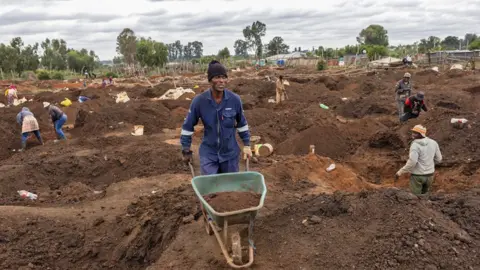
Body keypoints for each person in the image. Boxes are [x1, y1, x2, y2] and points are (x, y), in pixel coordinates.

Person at [180, 60, 252, 175]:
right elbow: (187, 127)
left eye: (224, 77)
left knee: (229, 189)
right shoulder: (199, 101)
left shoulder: (234, 100)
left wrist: (247, 144)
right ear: (210, 80)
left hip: (230, 153)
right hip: (209, 153)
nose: (221, 81)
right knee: (211, 187)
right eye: (217, 77)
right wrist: (185, 148)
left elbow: (242, 124)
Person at [395, 125, 442, 195]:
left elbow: (412, 162)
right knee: (425, 196)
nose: (413, 134)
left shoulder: (415, 145)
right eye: (413, 132)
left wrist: (400, 172)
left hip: (417, 176)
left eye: (415, 133)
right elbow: (439, 159)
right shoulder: (434, 143)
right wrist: (429, 164)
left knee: (415, 199)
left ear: (421, 134)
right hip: (430, 176)